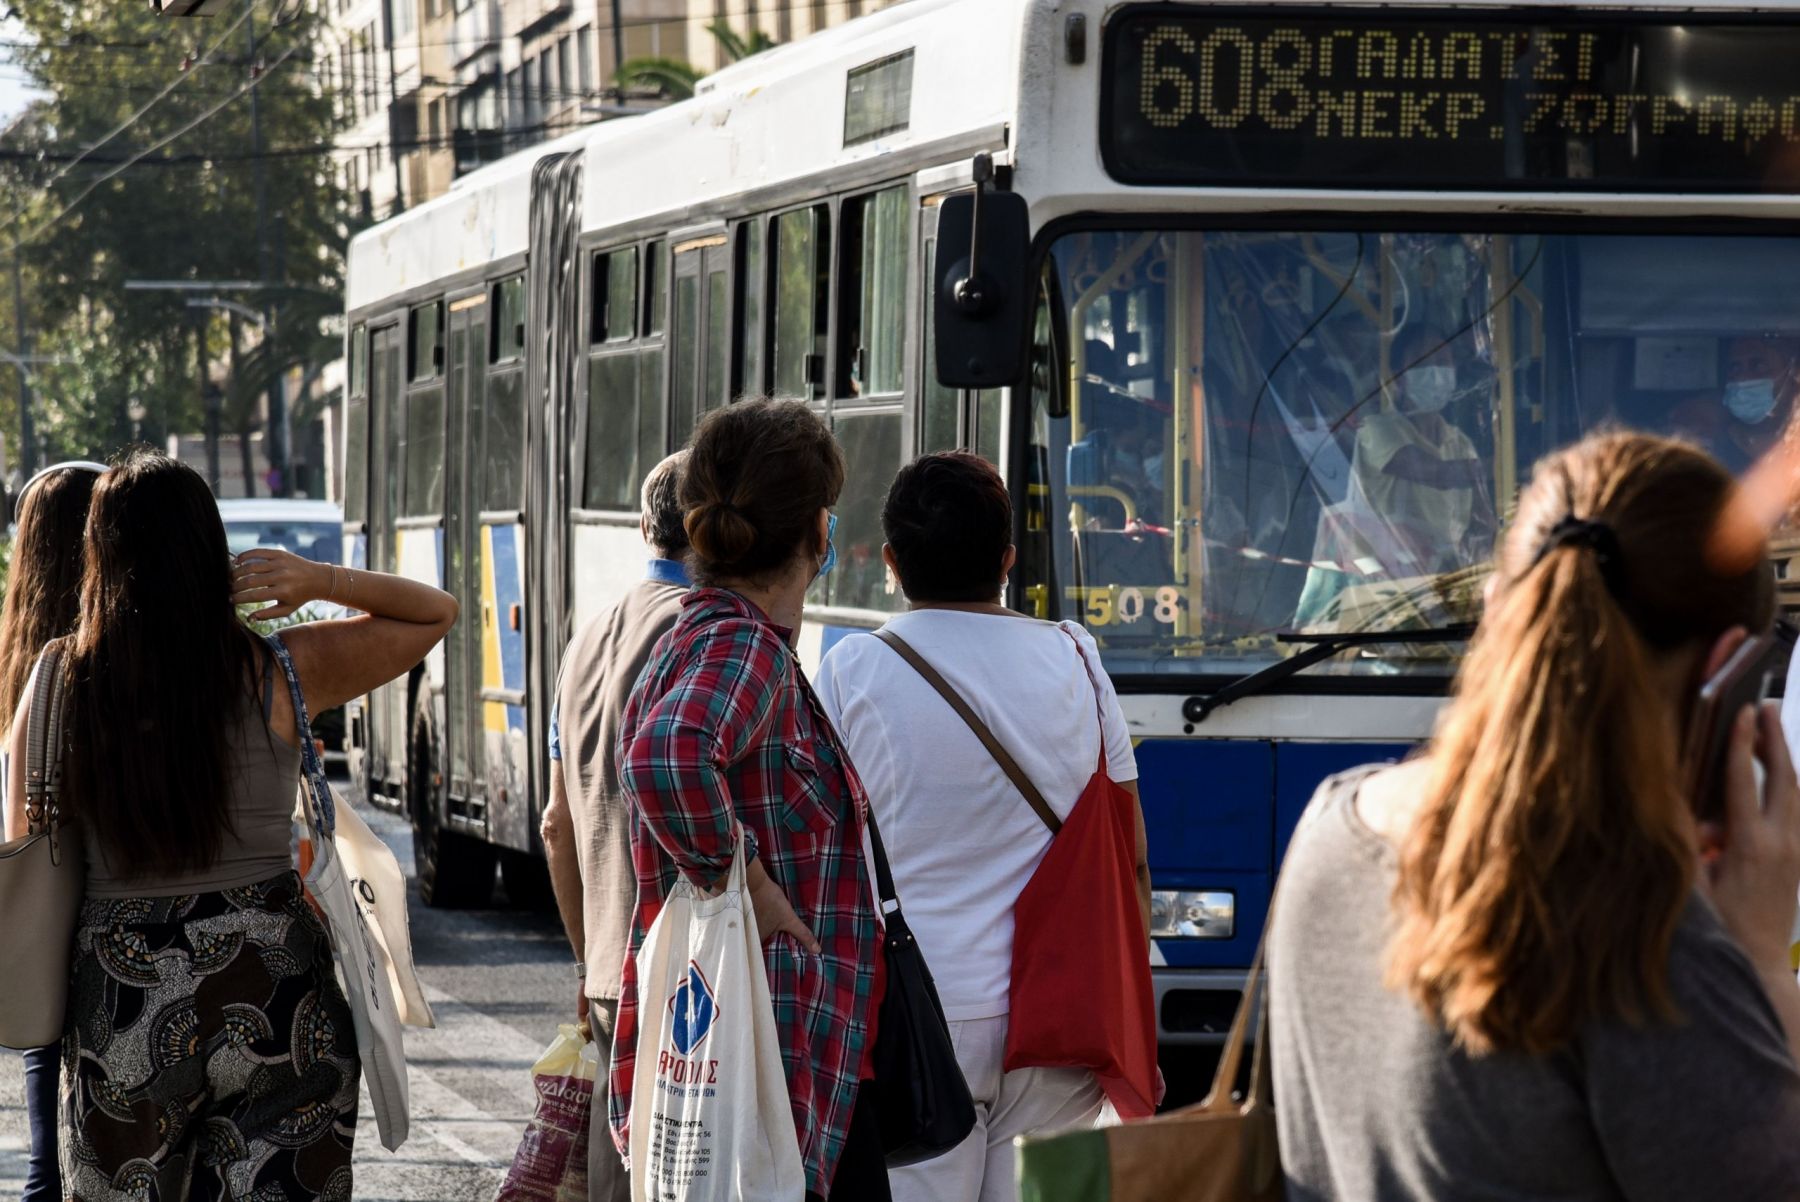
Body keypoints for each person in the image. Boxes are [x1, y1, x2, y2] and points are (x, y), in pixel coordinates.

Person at [1270, 431, 1800, 1200]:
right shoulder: (1654, 941)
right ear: (1729, 676)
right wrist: (1755, 955)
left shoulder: (1331, 827)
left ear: (1496, 609)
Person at [3, 449, 458, 1201]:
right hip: (277, 980)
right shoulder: (279, 671)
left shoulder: (60, 679)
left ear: (100, 558)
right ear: (209, 553)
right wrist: (318, 580)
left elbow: (26, 830)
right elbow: (434, 612)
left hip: (124, 995)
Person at [814, 451, 1149, 1202]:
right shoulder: (1076, 656)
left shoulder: (849, 671)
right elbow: (1130, 852)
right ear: (1007, 558)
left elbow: (826, 855)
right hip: (1059, 1015)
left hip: (919, 1016)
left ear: (892, 563)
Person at [609, 399, 887, 1202]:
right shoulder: (740, 644)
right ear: (816, 535)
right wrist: (752, 886)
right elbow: (666, 757)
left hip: (754, 1054)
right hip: (769, 1061)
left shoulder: (712, 634)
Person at [541, 450, 689, 1202]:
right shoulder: (706, 633)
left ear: (645, 529)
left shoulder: (585, 639)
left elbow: (556, 825)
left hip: (606, 962)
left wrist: (586, 958)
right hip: (687, 975)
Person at [0, 460, 102, 1202]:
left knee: (47, 1162)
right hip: (114, 918)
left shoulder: (18, 662)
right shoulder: (98, 664)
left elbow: (16, 825)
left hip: (42, 931)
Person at [1671, 335, 1800, 475]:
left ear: (1793, 374)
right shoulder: (1708, 447)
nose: (1743, 378)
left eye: (1759, 366)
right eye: (1735, 368)